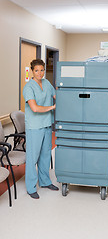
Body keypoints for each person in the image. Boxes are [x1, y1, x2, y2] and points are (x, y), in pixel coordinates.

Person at [23, 59, 59, 199]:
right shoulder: (28, 87)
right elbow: (35, 108)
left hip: (46, 124)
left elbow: (57, 96)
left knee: (45, 155)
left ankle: (45, 182)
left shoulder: (47, 83)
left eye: (42, 70)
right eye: (37, 70)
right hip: (34, 126)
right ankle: (31, 187)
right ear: (32, 71)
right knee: (33, 158)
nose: (40, 73)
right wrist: (52, 107)